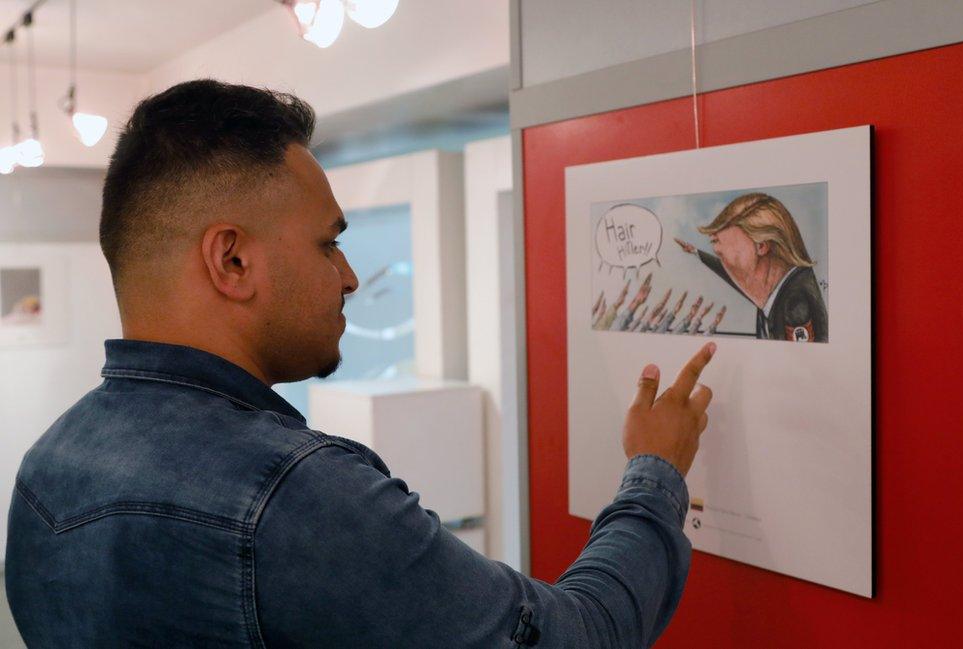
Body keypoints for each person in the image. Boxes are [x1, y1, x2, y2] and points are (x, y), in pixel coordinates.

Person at [4, 80, 716, 648]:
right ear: (233, 260)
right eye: (327, 243)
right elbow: (577, 637)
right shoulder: (295, 496)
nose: (348, 275)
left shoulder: (45, 469)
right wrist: (655, 473)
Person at [675, 192, 828, 342]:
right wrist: (696, 252)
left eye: (721, 252)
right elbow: (727, 271)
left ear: (761, 246)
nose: (724, 263)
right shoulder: (779, 290)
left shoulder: (795, 305)